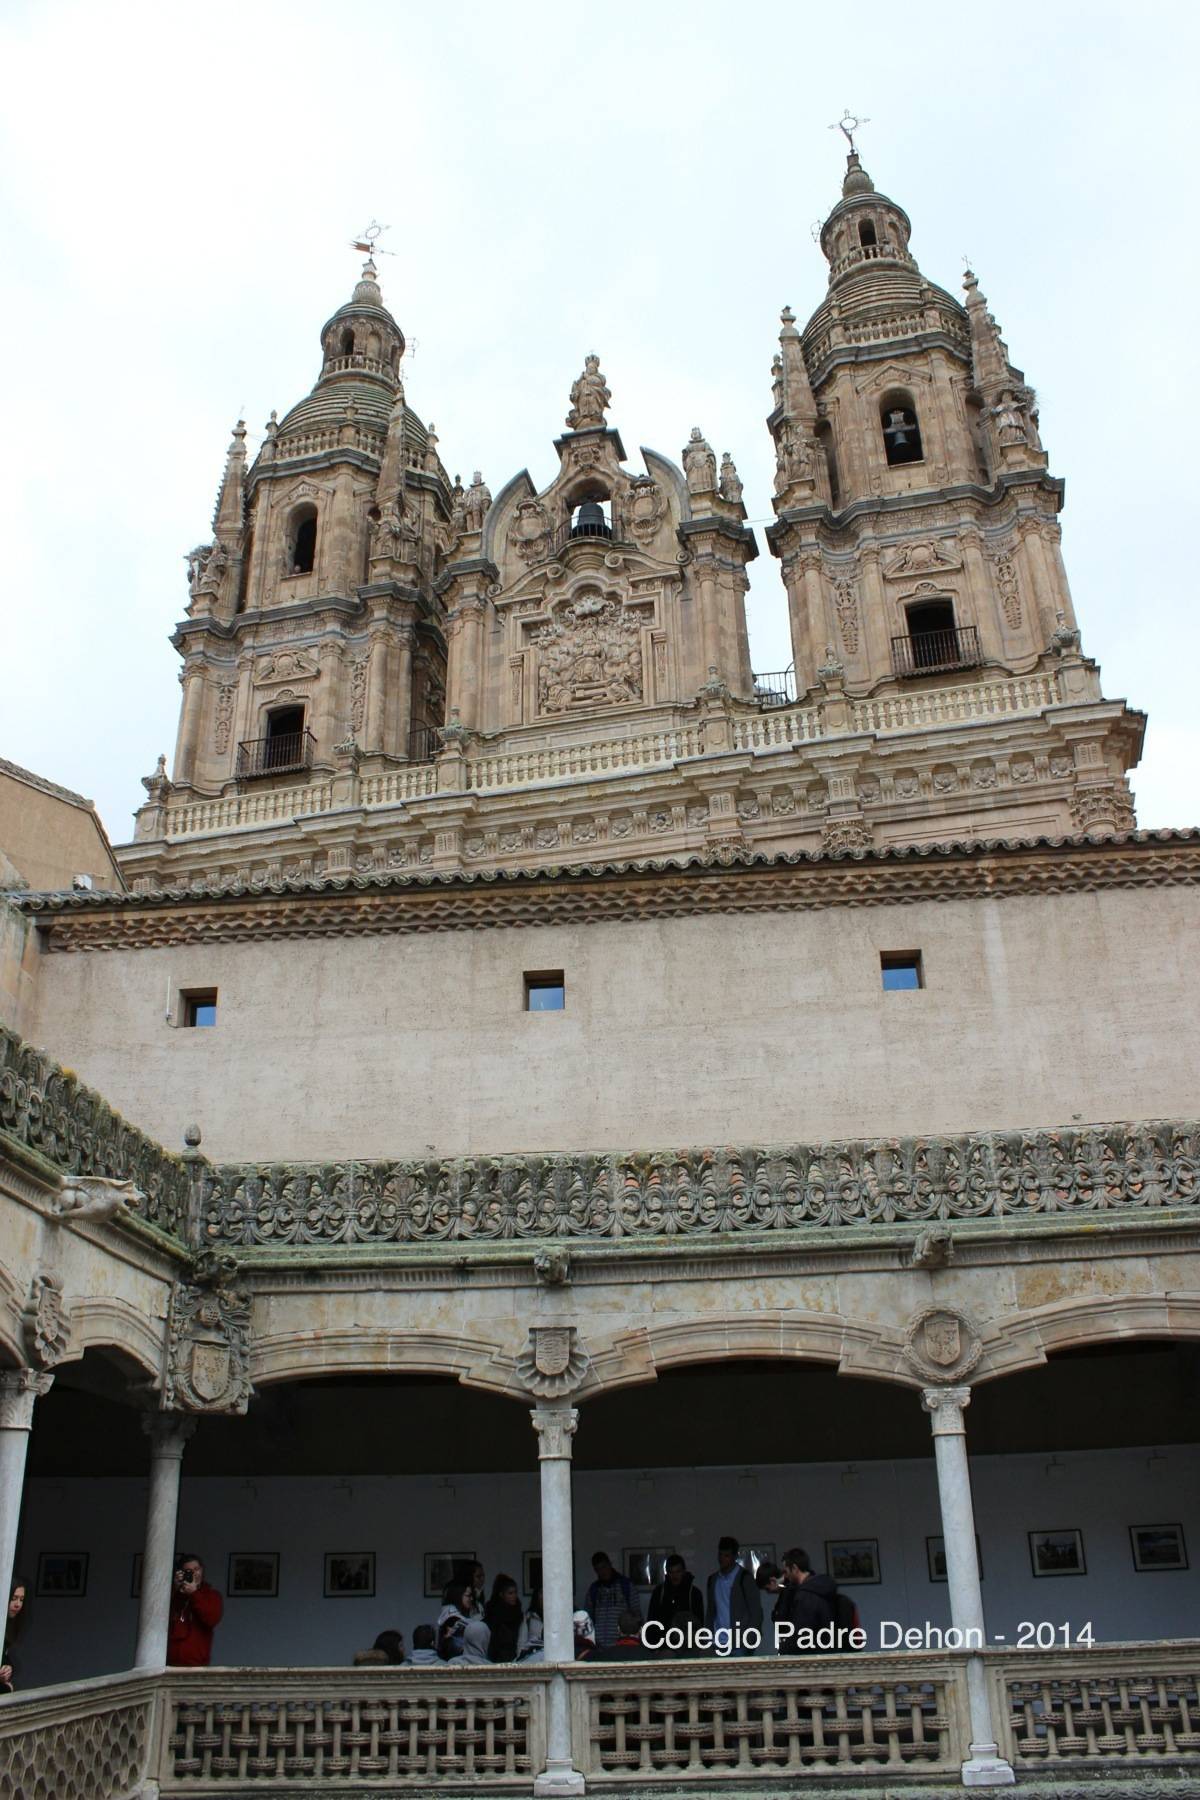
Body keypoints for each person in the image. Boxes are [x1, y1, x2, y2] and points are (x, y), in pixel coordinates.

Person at [772, 1548, 837, 1654]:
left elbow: (802, 1632)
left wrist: (784, 1649)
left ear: (794, 1568)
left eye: (786, 1571)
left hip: (812, 1654)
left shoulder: (805, 1595)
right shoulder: (820, 1588)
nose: (786, 1576)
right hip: (827, 1650)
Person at [166, 1552, 223, 1667]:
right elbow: (160, 1617)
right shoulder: (173, 1595)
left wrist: (194, 1593)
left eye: (196, 1569)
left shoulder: (212, 1595)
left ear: (202, 1570)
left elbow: (211, 1619)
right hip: (169, 1664)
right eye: (189, 1571)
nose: (194, 1574)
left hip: (197, 1664)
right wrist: (175, 1589)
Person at [705, 1537, 762, 1641]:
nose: (722, 1559)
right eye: (720, 1555)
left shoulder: (745, 1578)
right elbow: (711, 1611)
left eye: (726, 1555)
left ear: (735, 1556)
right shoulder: (713, 1580)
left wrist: (748, 1638)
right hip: (718, 1640)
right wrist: (708, 1635)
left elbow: (756, 1612)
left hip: (739, 1640)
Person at [583, 1551, 637, 1650]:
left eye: (604, 1567)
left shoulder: (626, 1585)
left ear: (610, 1564)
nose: (602, 1572)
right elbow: (588, 1618)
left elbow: (636, 1615)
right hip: (598, 1646)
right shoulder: (594, 1589)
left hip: (621, 1645)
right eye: (598, 1569)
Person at [647, 1554, 703, 1635]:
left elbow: (699, 1624)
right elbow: (651, 1622)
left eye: (678, 1571)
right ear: (667, 1572)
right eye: (671, 1572)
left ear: (683, 1571)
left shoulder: (694, 1593)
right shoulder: (659, 1592)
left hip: (686, 1644)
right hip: (663, 1644)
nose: (674, 1576)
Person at [483, 1573, 525, 1663]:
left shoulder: (518, 1614)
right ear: (501, 1594)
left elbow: (521, 1640)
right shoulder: (492, 1612)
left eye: (515, 1593)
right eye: (510, 1593)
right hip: (493, 1657)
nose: (514, 1596)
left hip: (514, 1658)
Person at [436, 1580, 474, 1659]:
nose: (471, 1599)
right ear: (458, 1596)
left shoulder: (454, 1613)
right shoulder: (452, 1619)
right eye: (468, 1596)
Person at [0, 1578, 27, 1692]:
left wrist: (7, 1667)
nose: (18, 1605)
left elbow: (3, 1655)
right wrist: (7, 1688)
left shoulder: (9, 1626)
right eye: (13, 1598)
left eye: (21, 1600)